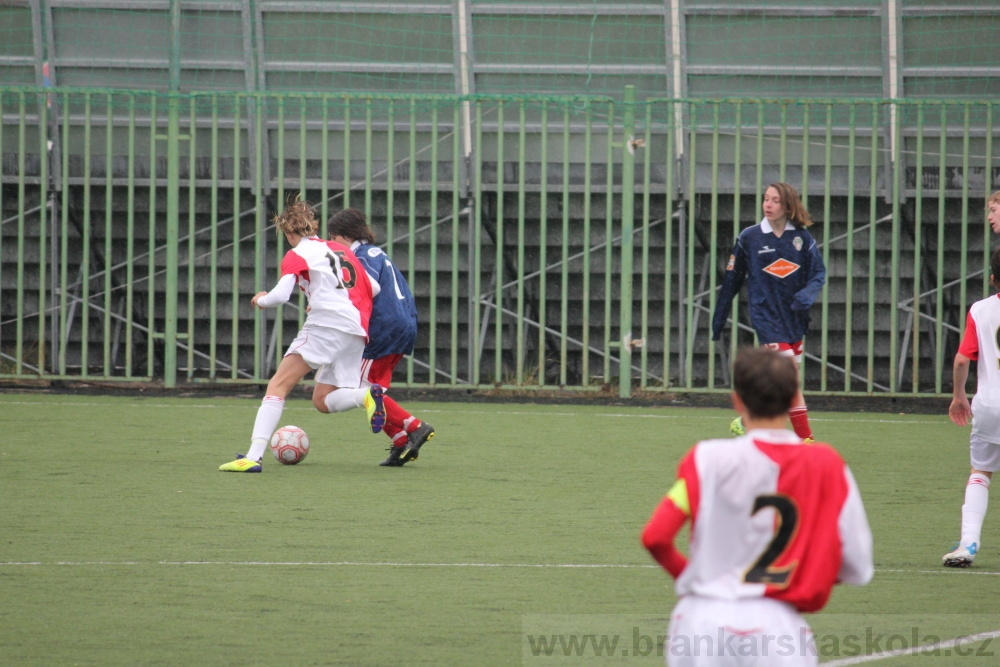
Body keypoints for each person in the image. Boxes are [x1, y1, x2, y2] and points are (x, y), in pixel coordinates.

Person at [641, 346, 873, 667]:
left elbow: (655, 537)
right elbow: (856, 565)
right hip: (776, 625)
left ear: (737, 401)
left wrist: (699, 581)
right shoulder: (828, 465)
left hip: (700, 621)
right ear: (795, 400)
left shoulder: (706, 458)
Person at [219, 197, 386, 473]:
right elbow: (374, 288)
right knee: (323, 400)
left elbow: (280, 296)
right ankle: (367, 395)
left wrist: (260, 299)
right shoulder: (337, 248)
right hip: (356, 328)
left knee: (278, 385)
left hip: (326, 325)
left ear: (289, 232)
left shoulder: (297, 254)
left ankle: (252, 457)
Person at [711, 182, 826, 441]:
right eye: (766, 199)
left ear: (787, 206)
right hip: (766, 317)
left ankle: (747, 418)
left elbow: (818, 273)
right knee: (791, 379)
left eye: (775, 200)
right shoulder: (750, 237)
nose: (768, 205)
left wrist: (806, 295)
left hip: (794, 317)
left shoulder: (802, 238)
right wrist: (719, 318)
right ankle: (805, 440)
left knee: (782, 384)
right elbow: (732, 279)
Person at [328, 208, 435, 467]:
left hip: (384, 327)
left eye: (333, 238)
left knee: (362, 389)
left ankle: (415, 427)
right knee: (372, 389)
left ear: (344, 236)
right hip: (403, 324)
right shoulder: (376, 253)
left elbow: (365, 288)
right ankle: (400, 442)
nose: (331, 245)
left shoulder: (360, 258)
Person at [944, 234, 1000, 567]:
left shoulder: (980, 310)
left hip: (990, 406)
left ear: (993, 278)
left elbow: (962, 359)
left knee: (980, 473)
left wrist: (958, 396)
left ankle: (968, 544)